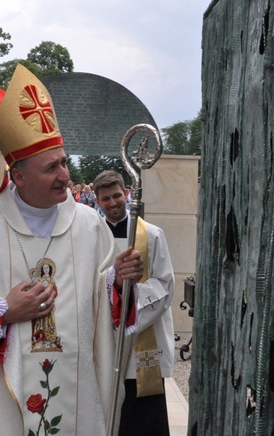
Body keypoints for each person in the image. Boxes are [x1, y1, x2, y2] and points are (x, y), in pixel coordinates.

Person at [0, 64, 144, 435]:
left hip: (76, 391)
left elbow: (102, 299)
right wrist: (1, 312)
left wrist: (118, 282)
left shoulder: (88, 225)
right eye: (51, 168)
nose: (65, 176)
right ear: (18, 177)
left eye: (64, 163)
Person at [93, 169, 176, 436]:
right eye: (105, 198)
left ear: (126, 194)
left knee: (145, 417)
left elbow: (165, 283)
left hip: (142, 331)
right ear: (97, 200)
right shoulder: (91, 236)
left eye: (117, 195)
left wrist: (128, 305)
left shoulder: (151, 234)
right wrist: (110, 294)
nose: (113, 203)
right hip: (103, 333)